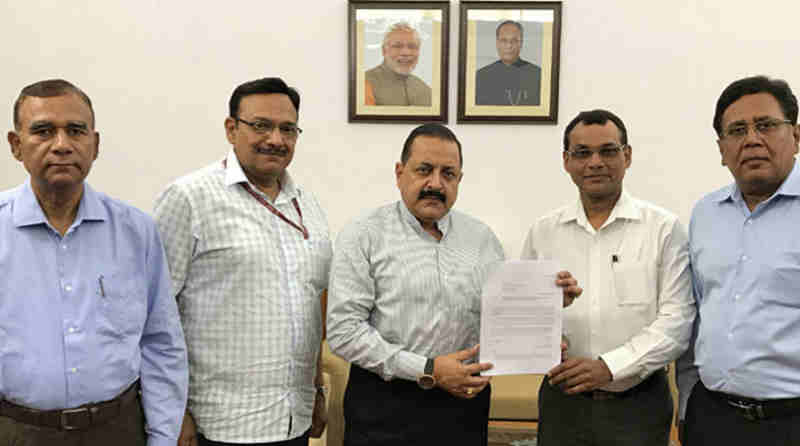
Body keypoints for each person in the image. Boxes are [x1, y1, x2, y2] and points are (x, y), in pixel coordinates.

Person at [327, 123, 581, 446]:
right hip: (385, 405)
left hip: (464, 407)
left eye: (448, 173)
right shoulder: (362, 235)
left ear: (459, 180)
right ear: (399, 172)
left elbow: (496, 318)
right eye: (424, 170)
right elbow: (343, 331)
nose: (435, 183)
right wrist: (428, 369)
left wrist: (541, 329)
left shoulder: (482, 239)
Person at [0, 79, 188, 445]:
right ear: (16, 145)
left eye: (75, 131)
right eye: (43, 131)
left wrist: (163, 437)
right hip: (17, 431)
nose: (61, 145)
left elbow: (161, 342)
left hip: (116, 429)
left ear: (95, 144)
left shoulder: (136, 231)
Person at [154, 77, 331, 446]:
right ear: (231, 129)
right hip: (218, 424)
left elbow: (312, 305)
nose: (276, 139)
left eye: (287, 129)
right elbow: (153, 313)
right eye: (261, 125)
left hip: (291, 418)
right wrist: (172, 410)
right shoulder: (189, 198)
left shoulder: (308, 206)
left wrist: (316, 391)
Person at [522, 109, 695, 446]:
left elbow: (678, 321)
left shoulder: (663, 229)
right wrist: (540, 333)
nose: (595, 162)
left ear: (627, 156)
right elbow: (523, 314)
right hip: (562, 404)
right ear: (566, 161)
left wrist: (610, 367)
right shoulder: (544, 232)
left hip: (638, 404)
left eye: (608, 150)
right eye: (582, 153)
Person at [677, 75, 800, 445]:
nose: (751, 139)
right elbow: (697, 313)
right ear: (721, 148)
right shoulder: (705, 213)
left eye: (765, 126)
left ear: (796, 136)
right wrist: (687, 404)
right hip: (713, 417)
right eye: (737, 130)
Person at [475, 20, 541, 106]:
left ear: (521, 43)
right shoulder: (481, 76)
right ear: (497, 43)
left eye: (514, 40)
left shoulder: (538, 74)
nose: (509, 46)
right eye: (503, 40)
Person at [365, 22, 432, 106]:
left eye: (412, 46)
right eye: (397, 46)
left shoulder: (424, 89)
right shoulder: (365, 83)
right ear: (384, 51)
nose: (406, 53)